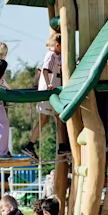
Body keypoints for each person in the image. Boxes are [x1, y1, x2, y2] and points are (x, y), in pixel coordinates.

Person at [22, 33, 69, 161]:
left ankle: (62, 146)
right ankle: (30, 145)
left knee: (59, 117)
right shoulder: (52, 55)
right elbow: (44, 70)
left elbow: (39, 71)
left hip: (52, 92)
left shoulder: (56, 56)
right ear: (58, 45)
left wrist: (35, 83)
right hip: (48, 92)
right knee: (44, 119)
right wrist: (47, 84)